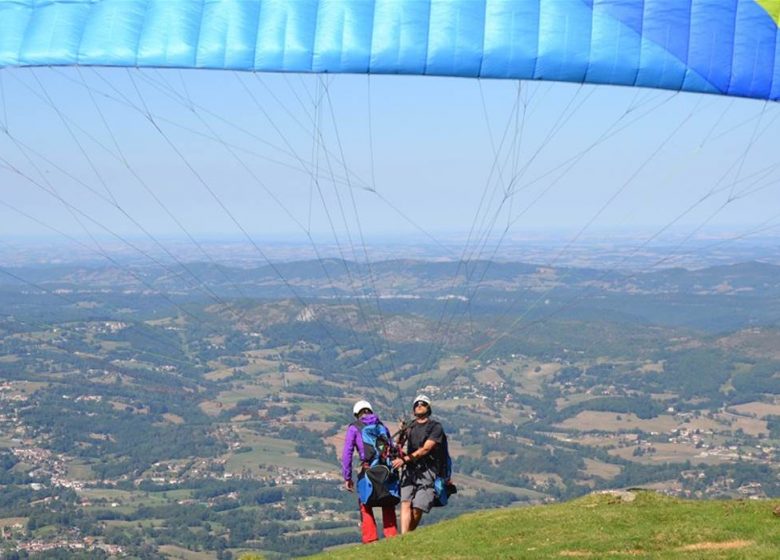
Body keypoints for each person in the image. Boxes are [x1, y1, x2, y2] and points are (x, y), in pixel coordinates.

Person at [342, 399, 398, 543]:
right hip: (385, 469)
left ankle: (370, 538)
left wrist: (347, 477)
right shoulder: (382, 426)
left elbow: (347, 453)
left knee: (365, 503)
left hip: (368, 470)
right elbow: (391, 448)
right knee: (387, 501)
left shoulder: (354, 428)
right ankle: (392, 536)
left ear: (357, 414)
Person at [391, 393, 444, 533]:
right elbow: (399, 445)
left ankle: (408, 535)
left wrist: (404, 460)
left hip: (427, 471)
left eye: (423, 404)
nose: (419, 405)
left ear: (428, 408)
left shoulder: (435, 427)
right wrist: (402, 432)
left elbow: (426, 449)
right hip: (410, 470)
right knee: (405, 502)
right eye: (417, 404)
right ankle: (403, 538)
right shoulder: (410, 426)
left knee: (418, 508)